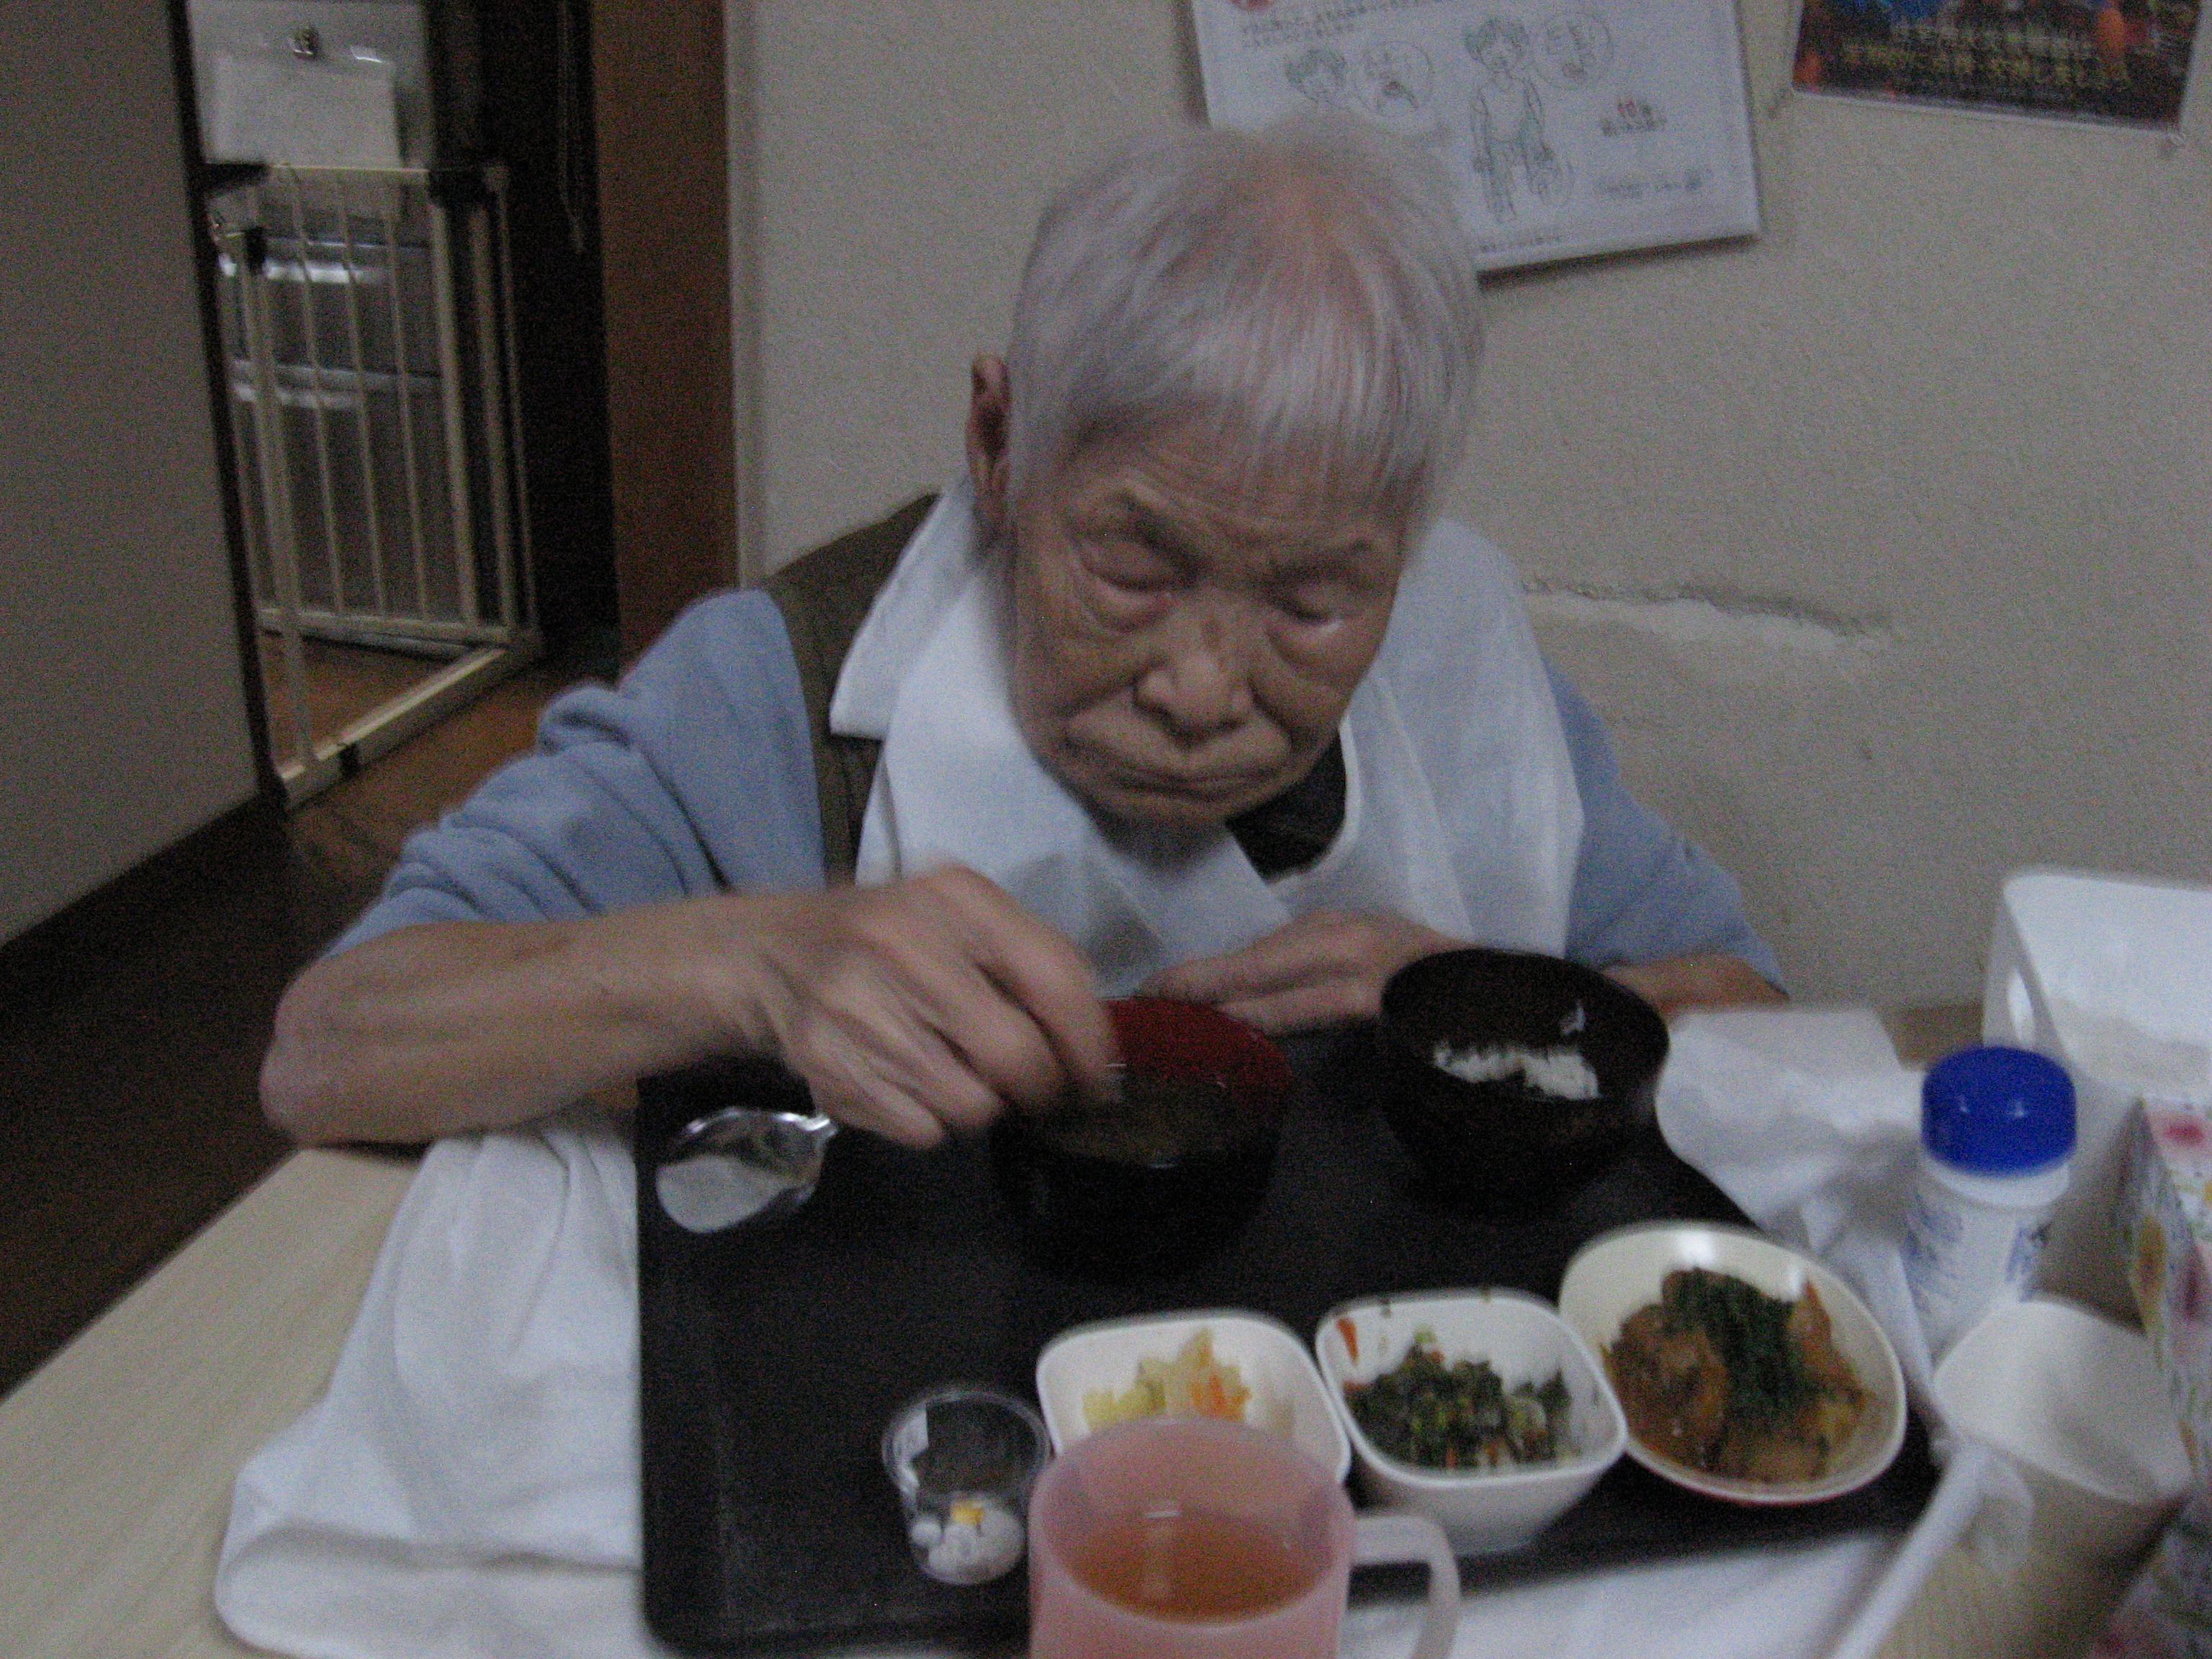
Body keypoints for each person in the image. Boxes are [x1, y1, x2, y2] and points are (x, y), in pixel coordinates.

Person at [260, 114, 1781, 1156]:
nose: (1204, 690)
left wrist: (1486, 1007)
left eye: (1314, 601)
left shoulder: (1464, 669)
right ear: (1001, 444)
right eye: (1134, 565)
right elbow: (328, 1048)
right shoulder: (782, 688)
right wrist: (754, 963)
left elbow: (1761, 1016)